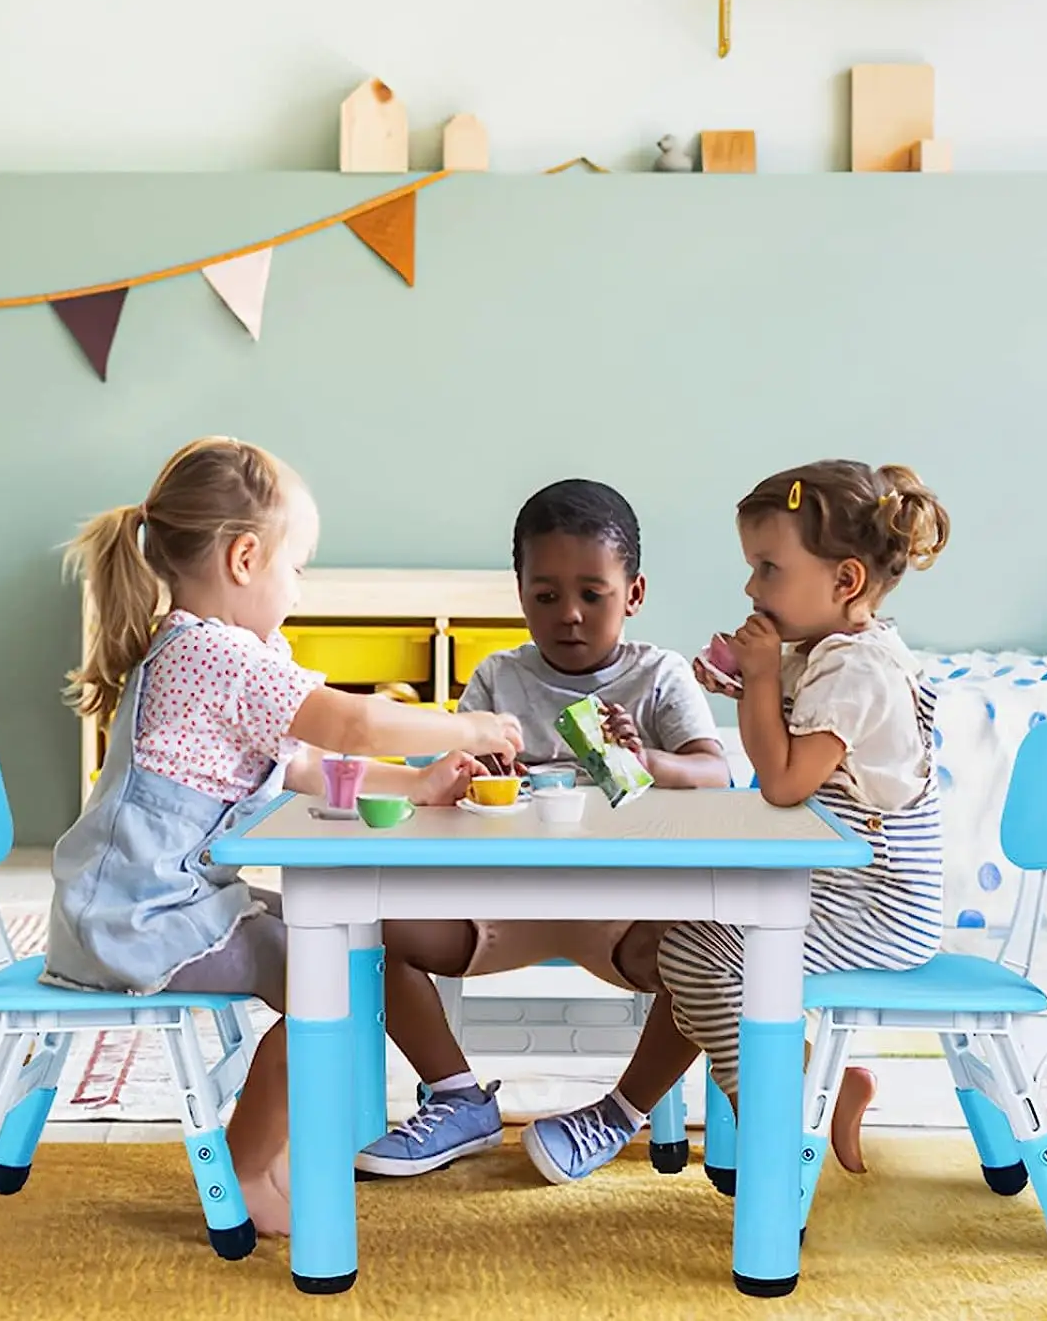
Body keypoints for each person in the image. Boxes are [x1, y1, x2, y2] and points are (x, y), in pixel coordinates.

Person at [43, 437, 522, 1236]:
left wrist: (420, 782)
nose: (299, 588)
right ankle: (247, 1165)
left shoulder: (219, 650)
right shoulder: (214, 655)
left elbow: (306, 765)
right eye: (297, 567)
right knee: (329, 975)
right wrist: (463, 721)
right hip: (137, 920)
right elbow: (355, 721)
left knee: (339, 952)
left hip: (166, 901)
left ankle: (278, 1148)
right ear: (244, 558)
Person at [356, 480, 732, 1185]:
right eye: (546, 595)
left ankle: (621, 1111)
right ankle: (459, 1098)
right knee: (369, 930)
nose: (570, 615)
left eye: (593, 593)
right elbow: (446, 786)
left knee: (708, 951)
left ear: (634, 592)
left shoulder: (657, 676)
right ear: (521, 592)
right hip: (504, 905)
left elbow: (715, 775)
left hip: (623, 916)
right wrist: (468, 769)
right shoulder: (499, 677)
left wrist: (645, 759)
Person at [660, 460, 950, 1175]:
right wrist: (746, 682)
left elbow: (784, 781)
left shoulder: (858, 671)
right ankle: (819, 1083)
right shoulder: (822, 653)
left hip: (881, 905)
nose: (752, 588)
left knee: (697, 952)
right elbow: (778, 749)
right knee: (692, 933)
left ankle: (782, 1115)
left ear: (845, 581)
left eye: (768, 568)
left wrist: (759, 681)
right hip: (840, 885)